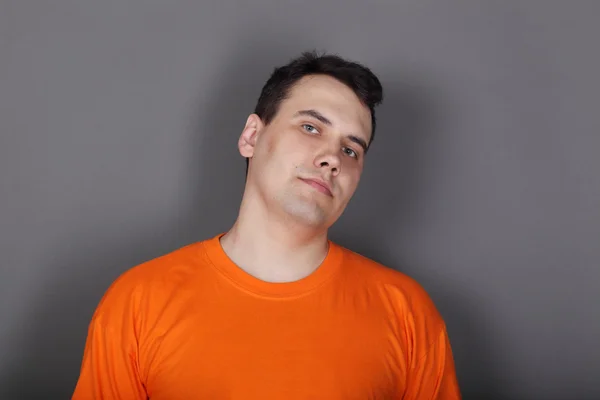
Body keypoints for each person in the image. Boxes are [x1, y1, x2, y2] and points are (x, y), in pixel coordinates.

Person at [72, 51, 462, 399]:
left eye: (351, 149)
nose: (332, 158)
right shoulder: (138, 303)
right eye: (311, 127)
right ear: (252, 136)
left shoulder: (407, 312)